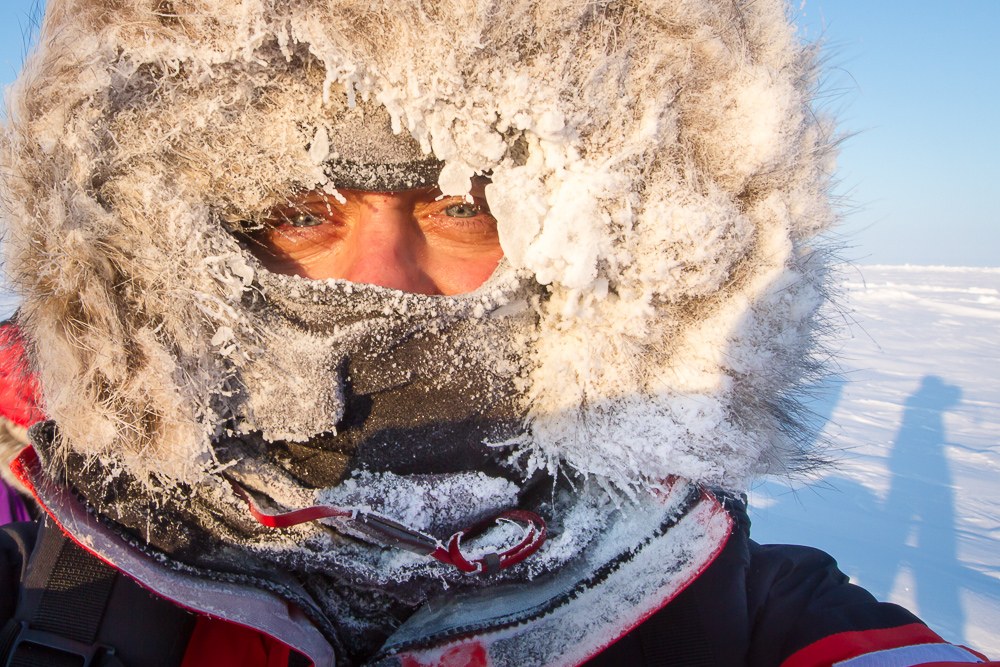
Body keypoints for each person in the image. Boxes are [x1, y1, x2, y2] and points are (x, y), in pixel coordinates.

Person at [0, 0, 993, 665]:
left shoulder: (710, 594)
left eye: (460, 210)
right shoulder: (64, 557)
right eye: (300, 214)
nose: (383, 278)